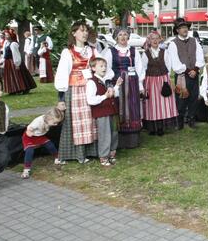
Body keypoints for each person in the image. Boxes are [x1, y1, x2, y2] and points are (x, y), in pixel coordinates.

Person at [55, 21, 109, 163]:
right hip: (75, 91)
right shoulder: (68, 52)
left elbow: (102, 66)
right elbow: (62, 74)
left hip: (91, 88)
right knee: (77, 123)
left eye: (86, 31)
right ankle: (77, 154)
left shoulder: (92, 51)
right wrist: (61, 98)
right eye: (81, 30)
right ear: (74, 33)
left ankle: (94, 151)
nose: (85, 33)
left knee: (91, 121)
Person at [102, 28, 144, 149]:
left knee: (132, 109)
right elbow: (107, 68)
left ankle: (133, 140)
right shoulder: (111, 51)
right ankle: (119, 141)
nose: (123, 37)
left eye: (125, 35)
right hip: (118, 85)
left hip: (132, 85)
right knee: (120, 108)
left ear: (128, 37)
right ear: (116, 37)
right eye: (120, 35)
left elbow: (139, 68)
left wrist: (140, 85)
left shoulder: (133, 51)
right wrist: (112, 82)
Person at [166, 18, 205, 129]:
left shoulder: (194, 41)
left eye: (186, 27)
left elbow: (200, 56)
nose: (184, 29)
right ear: (177, 30)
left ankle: (192, 119)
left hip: (194, 73)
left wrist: (196, 69)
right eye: (182, 28)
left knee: (193, 98)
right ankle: (180, 121)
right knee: (181, 98)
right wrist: (188, 71)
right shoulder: (173, 44)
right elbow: (175, 61)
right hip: (182, 75)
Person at [140, 31, 178, 136]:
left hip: (162, 80)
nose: (155, 40)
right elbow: (143, 68)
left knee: (162, 104)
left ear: (160, 40)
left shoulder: (164, 52)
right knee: (151, 104)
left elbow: (168, 66)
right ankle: (152, 128)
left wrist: (167, 80)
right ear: (149, 41)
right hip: (150, 80)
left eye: (157, 38)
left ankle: (161, 128)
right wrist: (144, 83)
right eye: (152, 39)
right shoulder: (145, 53)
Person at [86, 58, 122, 166]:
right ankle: (103, 156)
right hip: (102, 112)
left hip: (112, 110)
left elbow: (113, 94)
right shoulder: (92, 82)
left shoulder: (107, 80)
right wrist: (104, 96)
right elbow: (91, 100)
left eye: (105, 66)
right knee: (105, 134)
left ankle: (112, 153)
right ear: (93, 68)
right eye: (101, 66)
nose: (104, 68)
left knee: (114, 132)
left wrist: (117, 86)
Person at [21, 104, 66, 178]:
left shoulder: (50, 119)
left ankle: (57, 159)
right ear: (49, 118)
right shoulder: (38, 121)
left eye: (57, 123)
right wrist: (30, 132)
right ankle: (26, 170)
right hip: (29, 137)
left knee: (50, 145)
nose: (56, 124)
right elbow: (29, 128)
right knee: (29, 150)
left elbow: (56, 110)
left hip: (40, 136)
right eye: (54, 122)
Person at [0, 29, 27, 95]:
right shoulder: (6, 43)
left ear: (11, 36)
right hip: (8, 61)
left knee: (16, 75)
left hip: (13, 61)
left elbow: (16, 54)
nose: (6, 36)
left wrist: (17, 64)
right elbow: (5, 53)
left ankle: (18, 89)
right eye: (5, 35)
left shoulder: (13, 44)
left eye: (7, 35)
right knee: (10, 76)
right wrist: (2, 60)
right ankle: (12, 90)